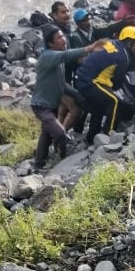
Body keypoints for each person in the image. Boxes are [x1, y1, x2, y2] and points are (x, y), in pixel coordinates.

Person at [30, 25, 99, 170]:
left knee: (47, 135)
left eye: (63, 36)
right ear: (50, 43)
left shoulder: (57, 60)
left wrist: (77, 95)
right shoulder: (48, 56)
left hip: (51, 104)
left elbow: (62, 84)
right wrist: (88, 48)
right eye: (59, 38)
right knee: (60, 133)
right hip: (41, 105)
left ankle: (39, 163)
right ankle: (61, 160)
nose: (64, 39)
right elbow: (65, 55)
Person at [74, 26, 135, 143]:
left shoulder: (113, 43)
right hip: (90, 82)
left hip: (81, 78)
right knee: (114, 101)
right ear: (129, 43)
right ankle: (109, 134)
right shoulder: (124, 57)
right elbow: (118, 81)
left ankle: (91, 137)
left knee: (99, 106)